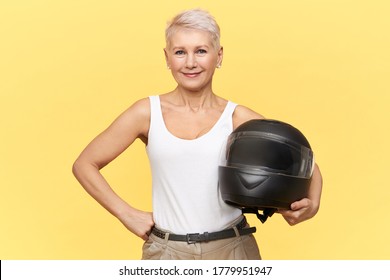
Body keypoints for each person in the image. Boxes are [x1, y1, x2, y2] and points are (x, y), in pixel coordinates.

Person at [72, 8, 323, 260]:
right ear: (167, 58)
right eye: (180, 52)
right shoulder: (147, 112)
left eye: (201, 51)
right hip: (166, 252)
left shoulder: (238, 118)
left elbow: (307, 165)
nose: (190, 63)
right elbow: (84, 164)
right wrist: (126, 213)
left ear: (219, 55)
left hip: (233, 249)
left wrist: (311, 206)